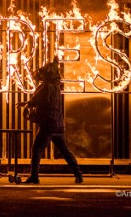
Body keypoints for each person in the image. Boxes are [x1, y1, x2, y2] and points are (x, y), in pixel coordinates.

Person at [16, 56, 83, 184]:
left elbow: (37, 100)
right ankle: (78, 174)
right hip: (58, 124)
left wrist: (27, 104)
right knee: (65, 151)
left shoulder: (46, 86)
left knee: (37, 149)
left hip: (48, 125)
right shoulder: (56, 86)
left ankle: (34, 176)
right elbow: (42, 100)